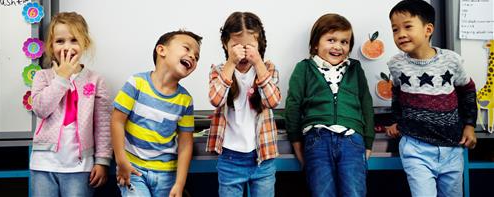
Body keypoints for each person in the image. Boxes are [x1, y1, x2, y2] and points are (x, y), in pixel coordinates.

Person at [386, 0, 477, 197]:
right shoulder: (395, 64)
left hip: (452, 147)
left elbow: (467, 91)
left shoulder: (451, 60)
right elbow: (397, 94)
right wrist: (395, 121)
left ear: (428, 30)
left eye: (407, 27)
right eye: (395, 29)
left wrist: (470, 125)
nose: (400, 34)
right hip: (415, 147)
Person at [285, 13, 374, 197]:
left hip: (352, 140)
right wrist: (296, 143)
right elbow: (293, 106)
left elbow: (366, 104)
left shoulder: (355, 68)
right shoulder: (304, 68)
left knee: (354, 193)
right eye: (331, 40)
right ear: (316, 44)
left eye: (344, 42)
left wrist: (368, 143)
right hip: (317, 140)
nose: (338, 46)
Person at [30, 12, 112, 196]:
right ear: (51, 46)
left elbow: (103, 126)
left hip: (80, 167)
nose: (67, 47)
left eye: (74, 40)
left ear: (85, 44)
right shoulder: (42, 77)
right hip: (43, 164)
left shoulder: (95, 80)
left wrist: (102, 161)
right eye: (60, 41)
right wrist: (62, 77)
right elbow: (41, 109)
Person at [111, 30, 201, 197]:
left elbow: (185, 144)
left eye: (196, 56)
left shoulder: (185, 100)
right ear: (162, 50)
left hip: (166, 174)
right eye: (187, 48)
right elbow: (117, 121)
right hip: (133, 170)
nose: (193, 57)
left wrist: (179, 184)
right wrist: (121, 160)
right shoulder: (136, 84)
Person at [206, 12, 281, 197]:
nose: (243, 52)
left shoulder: (268, 69)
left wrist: (258, 64)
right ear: (225, 44)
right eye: (236, 46)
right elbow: (216, 99)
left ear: (259, 45)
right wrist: (231, 62)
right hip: (230, 158)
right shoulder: (218, 71)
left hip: (262, 157)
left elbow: (273, 101)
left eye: (249, 47)